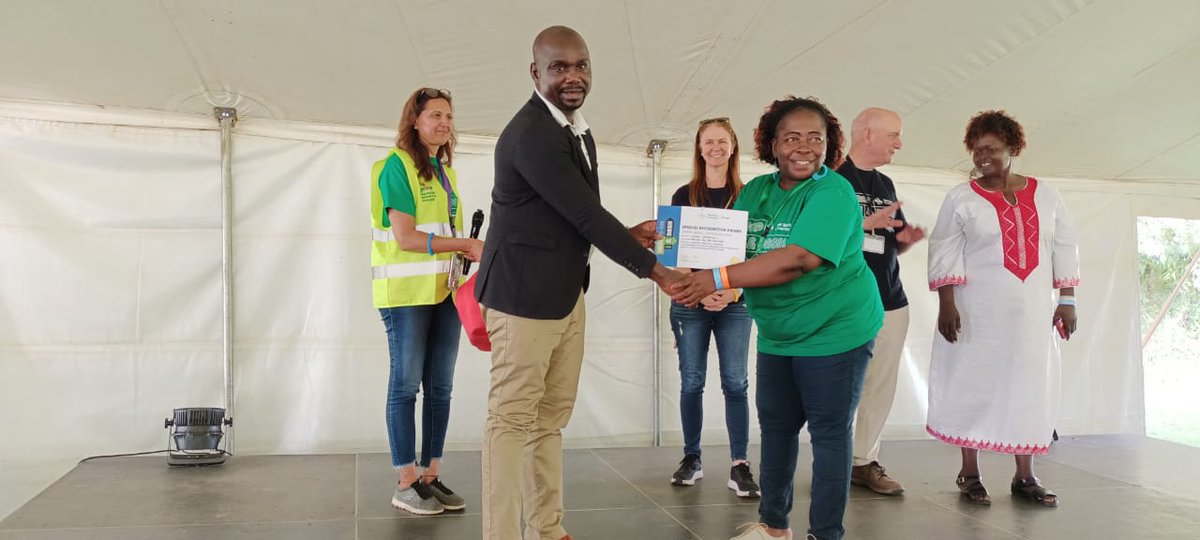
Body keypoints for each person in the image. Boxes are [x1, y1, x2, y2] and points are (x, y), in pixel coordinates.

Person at [474, 26, 682, 540]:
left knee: (549, 419)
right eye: (559, 67)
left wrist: (627, 234)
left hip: (565, 294)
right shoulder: (533, 133)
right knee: (511, 421)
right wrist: (658, 272)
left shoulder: (577, 130)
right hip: (522, 299)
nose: (573, 76)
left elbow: (570, 212)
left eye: (581, 65)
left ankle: (546, 529)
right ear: (535, 72)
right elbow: (587, 215)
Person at [671, 96, 882, 540]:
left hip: (834, 331)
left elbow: (799, 259)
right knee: (777, 428)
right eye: (791, 138)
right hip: (777, 333)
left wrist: (718, 278)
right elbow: (726, 247)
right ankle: (773, 527)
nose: (803, 148)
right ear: (772, 144)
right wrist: (663, 237)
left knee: (828, 434)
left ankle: (825, 533)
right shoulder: (756, 192)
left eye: (815, 139)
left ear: (830, 145)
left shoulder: (833, 192)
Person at [926, 110, 1080, 508]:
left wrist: (1067, 299)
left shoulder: (1047, 195)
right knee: (972, 381)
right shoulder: (961, 197)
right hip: (975, 311)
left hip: (1032, 314)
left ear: (1013, 148)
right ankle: (970, 474)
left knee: (1029, 385)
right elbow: (944, 249)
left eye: (991, 149)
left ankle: (1025, 476)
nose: (982, 157)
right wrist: (946, 303)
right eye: (976, 150)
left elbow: (1064, 245)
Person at [369, 87, 484, 515]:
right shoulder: (395, 166)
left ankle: (430, 477)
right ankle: (406, 482)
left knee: (441, 388)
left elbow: (441, 232)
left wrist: (462, 252)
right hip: (405, 297)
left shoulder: (445, 173)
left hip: (445, 292)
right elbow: (406, 237)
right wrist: (466, 244)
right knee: (405, 386)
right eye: (435, 115)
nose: (444, 123)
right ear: (414, 121)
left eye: (449, 116)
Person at [666, 117, 758, 498]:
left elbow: (757, 253)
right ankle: (692, 457)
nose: (715, 148)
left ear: (733, 146)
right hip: (691, 300)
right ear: (699, 148)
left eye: (722, 141)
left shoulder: (750, 196)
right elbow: (669, 252)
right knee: (692, 381)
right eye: (708, 142)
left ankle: (740, 464)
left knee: (736, 382)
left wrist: (732, 291)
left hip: (735, 301)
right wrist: (700, 290)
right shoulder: (682, 195)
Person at [836, 108, 926, 496]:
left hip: (891, 299)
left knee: (880, 385)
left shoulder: (886, 184)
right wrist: (862, 226)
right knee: (840, 386)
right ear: (868, 134)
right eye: (894, 135)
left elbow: (886, 244)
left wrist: (904, 242)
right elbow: (820, 239)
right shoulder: (831, 179)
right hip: (845, 302)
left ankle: (863, 461)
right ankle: (834, 460)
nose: (899, 144)